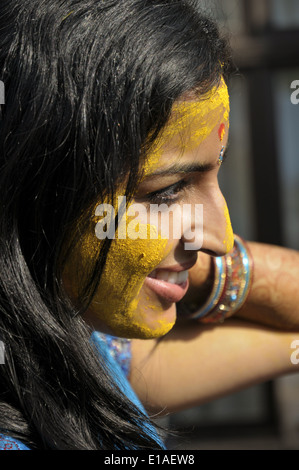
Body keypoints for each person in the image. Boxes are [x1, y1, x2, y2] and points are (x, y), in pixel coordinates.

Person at [0, 0, 298, 451]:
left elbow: (137, 374)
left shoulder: (62, 342)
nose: (219, 239)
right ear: (35, 181)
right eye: (167, 191)